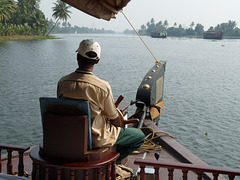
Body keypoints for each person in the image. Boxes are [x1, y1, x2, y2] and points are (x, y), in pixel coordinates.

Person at [57, 39, 145, 165]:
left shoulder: (62, 82)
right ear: (97, 61)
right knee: (138, 136)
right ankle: (114, 163)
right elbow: (114, 118)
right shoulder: (102, 87)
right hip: (95, 139)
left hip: (68, 136)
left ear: (77, 57)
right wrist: (118, 122)